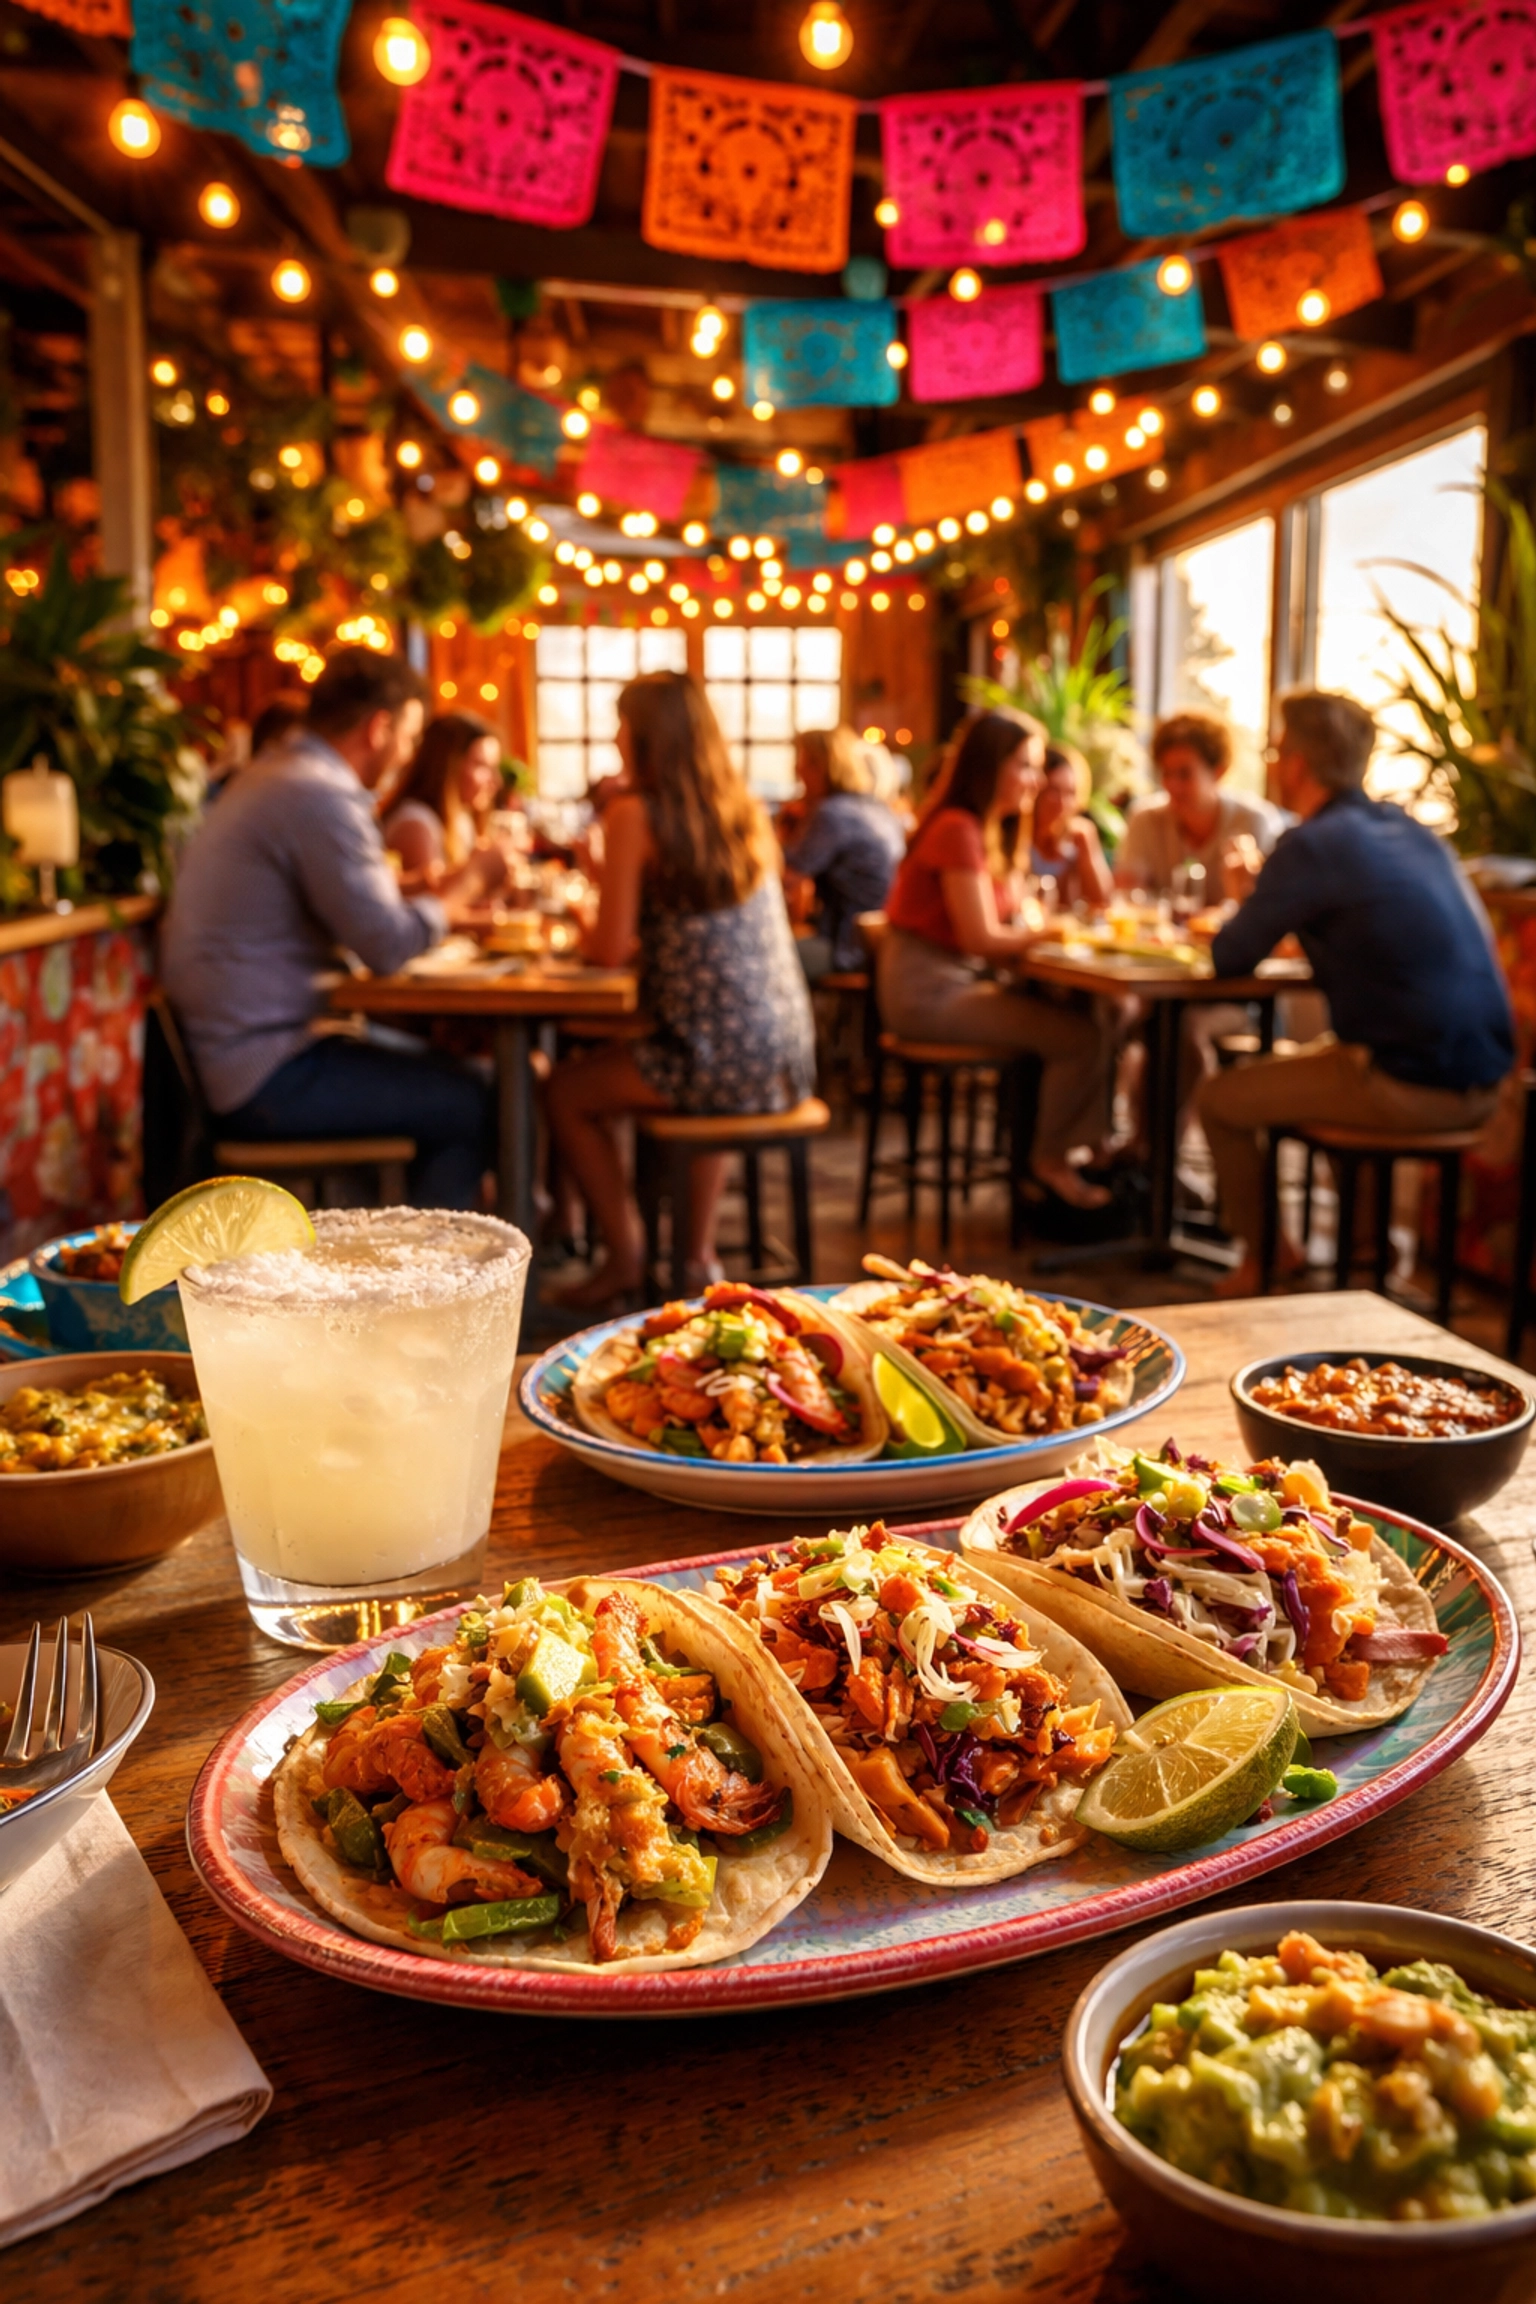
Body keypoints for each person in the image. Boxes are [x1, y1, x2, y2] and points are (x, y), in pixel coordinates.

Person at [1195, 689, 1515, 1297]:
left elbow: (1229, 955)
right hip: (1488, 1083)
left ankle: (1266, 1258)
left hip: (1410, 1085)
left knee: (1220, 1098)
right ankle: (1370, 1259)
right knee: (1330, 1060)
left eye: (1275, 750)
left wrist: (1246, 894)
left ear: (1295, 763)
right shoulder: (1413, 832)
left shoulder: (1310, 844)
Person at [160, 648, 493, 1208]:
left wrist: (429, 888)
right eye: (409, 737)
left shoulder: (279, 775)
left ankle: (401, 1263)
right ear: (379, 727)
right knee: (475, 1097)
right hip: (264, 1071)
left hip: (244, 1051)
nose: (408, 754)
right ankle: (430, 1285)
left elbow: (348, 905)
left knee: (456, 1073)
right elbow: (387, 945)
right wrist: (473, 881)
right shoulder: (319, 793)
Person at [546, 672, 815, 1305]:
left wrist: (591, 897)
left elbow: (608, 953)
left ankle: (625, 1255)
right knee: (703, 1060)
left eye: (622, 725)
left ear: (646, 737)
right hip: (785, 1055)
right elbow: (702, 935)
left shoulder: (634, 813)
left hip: (713, 1056)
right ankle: (696, 1256)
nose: (615, 738)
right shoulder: (741, 810)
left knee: (562, 1090)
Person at [881, 710, 1115, 1211]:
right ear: (991, 767)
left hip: (955, 983)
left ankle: (1083, 1152)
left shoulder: (989, 828)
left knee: (1092, 1017)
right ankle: (1052, 1161)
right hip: (929, 994)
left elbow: (1013, 914)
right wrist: (1049, 931)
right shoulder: (957, 828)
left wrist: (1037, 926)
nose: (1036, 780)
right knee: (1079, 1036)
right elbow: (982, 937)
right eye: (1026, 767)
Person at [780, 726, 906, 982]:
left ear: (825, 766)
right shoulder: (877, 809)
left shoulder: (833, 814)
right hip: (884, 944)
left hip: (848, 947)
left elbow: (787, 877)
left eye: (804, 762)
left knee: (762, 961)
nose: (797, 771)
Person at [1116, 711, 1285, 902]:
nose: (1172, 785)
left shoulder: (1254, 822)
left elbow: (1267, 906)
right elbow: (1128, 896)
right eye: (1166, 773)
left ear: (1218, 772)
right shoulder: (1145, 819)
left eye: (1184, 774)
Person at [382, 710, 514, 903]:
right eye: (482, 766)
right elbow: (434, 913)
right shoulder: (416, 824)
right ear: (446, 766)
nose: (496, 781)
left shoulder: (462, 818)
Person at [1029, 741, 1114, 911]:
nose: (1062, 802)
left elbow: (1103, 903)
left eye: (1070, 793)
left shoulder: (1079, 837)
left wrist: (1086, 852)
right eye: (1053, 790)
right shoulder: (1018, 835)